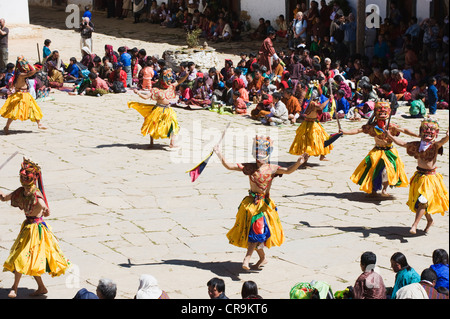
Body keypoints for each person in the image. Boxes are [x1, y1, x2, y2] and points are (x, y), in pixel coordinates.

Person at [214, 136, 310, 270]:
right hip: (250, 204)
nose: (260, 157)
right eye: (258, 153)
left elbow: (288, 171)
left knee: (256, 229)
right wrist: (219, 153)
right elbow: (229, 166)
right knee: (255, 233)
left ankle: (246, 259)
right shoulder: (249, 167)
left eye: (263, 153)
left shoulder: (272, 168)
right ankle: (262, 258)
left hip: (263, 206)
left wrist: (298, 162)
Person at [0, 158, 70, 298]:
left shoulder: (36, 193)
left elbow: (43, 204)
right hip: (27, 229)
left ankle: (14, 288)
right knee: (29, 260)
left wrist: (45, 210)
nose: (23, 179)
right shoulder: (21, 192)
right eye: (22, 177)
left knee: (21, 258)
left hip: (36, 230)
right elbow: (5, 197)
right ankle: (41, 287)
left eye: (26, 177)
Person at [340, 100, 418, 197]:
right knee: (373, 171)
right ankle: (373, 190)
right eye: (380, 112)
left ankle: (384, 189)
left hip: (389, 151)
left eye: (384, 112)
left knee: (387, 171)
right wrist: (345, 132)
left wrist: (417, 135)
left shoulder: (391, 126)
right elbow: (357, 130)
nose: (382, 114)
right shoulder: (372, 126)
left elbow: (404, 130)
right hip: (377, 151)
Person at [386, 118, 448, 234]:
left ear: (435, 133)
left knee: (423, 201)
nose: (428, 133)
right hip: (419, 177)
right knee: (421, 203)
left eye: (431, 131)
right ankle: (429, 220)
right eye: (425, 130)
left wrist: (448, 136)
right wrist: (390, 136)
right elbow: (403, 143)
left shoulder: (435, 146)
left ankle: (414, 225)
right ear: (420, 132)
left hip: (430, 178)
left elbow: (443, 141)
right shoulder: (417, 145)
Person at [128, 68, 188, 148]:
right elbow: (146, 97)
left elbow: (179, 81)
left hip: (168, 110)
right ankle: (151, 143)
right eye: (168, 79)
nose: (170, 81)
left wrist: (186, 75)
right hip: (158, 110)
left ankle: (172, 143)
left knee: (173, 125)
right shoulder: (155, 90)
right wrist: (138, 93)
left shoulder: (170, 87)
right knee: (153, 125)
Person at [0, 56, 47, 134]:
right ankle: (6, 126)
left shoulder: (18, 74)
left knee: (33, 108)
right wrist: (33, 67)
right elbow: (30, 73)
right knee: (14, 111)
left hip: (25, 94)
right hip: (20, 95)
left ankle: (39, 123)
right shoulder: (20, 75)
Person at [289, 85, 333, 162]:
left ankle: (321, 156)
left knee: (318, 139)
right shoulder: (312, 103)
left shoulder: (309, 102)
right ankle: (307, 157)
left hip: (311, 123)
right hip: (311, 124)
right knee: (312, 141)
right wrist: (328, 99)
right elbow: (320, 107)